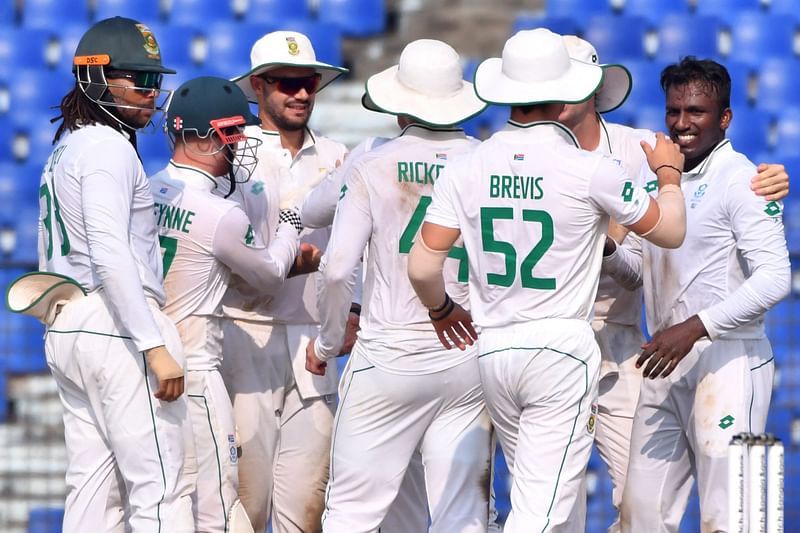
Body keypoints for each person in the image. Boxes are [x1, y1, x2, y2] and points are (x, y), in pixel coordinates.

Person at [406, 28, 689, 532]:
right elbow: (670, 232)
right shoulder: (590, 168)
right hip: (561, 345)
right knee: (542, 513)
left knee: (543, 502)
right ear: (564, 96)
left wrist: (441, 310)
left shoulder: (467, 165)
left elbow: (423, 266)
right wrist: (669, 177)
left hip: (493, 347)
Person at [557, 36, 792, 533]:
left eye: (696, 112)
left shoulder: (743, 179)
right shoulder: (661, 179)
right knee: (641, 516)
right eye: (673, 111)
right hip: (666, 361)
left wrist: (695, 328)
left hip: (732, 361)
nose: (682, 124)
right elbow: (640, 269)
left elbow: (774, 279)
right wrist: (605, 250)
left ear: (724, 118)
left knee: (739, 518)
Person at [5, 16, 194, 532]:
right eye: (140, 79)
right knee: (162, 486)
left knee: (92, 490)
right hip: (115, 325)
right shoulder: (109, 147)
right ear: (95, 77)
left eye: (156, 80)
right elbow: (111, 252)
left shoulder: (68, 146)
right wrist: (153, 343)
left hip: (71, 322)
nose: (152, 93)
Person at [305, 39, 492, 532]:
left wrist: (327, 343)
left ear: (400, 102)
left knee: (351, 515)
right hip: (467, 354)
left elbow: (338, 265)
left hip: (389, 352)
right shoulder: (485, 161)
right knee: (463, 516)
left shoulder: (371, 161)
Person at [150, 76, 312, 532]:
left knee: (159, 501)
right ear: (205, 136)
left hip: (147, 362)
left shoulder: (146, 189)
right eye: (233, 132)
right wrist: (290, 225)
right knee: (216, 508)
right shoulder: (219, 212)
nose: (240, 143)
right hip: (196, 371)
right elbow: (269, 273)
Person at [223, 30, 352, 532]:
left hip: (314, 342)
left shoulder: (340, 156)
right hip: (244, 335)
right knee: (245, 507)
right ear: (258, 86)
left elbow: (357, 248)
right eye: (287, 83)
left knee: (305, 509)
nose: (301, 94)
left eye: (309, 82)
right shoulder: (231, 155)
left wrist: (354, 311)